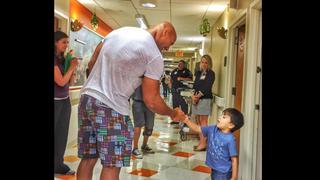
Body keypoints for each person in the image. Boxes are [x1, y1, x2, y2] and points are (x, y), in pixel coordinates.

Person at [76, 22, 185, 180]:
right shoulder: (154, 55)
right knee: (112, 165)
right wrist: (173, 113)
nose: (169, 48)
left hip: (87, 99)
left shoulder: (119, 32)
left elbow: (92, 62)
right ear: (165, 31)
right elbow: (152, 100)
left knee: (88, 159)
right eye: (171, 42)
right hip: (112, 107)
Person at [180, 108, 244, 180]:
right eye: (221, 115)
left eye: (224, 117)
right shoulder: (213, 129)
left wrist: (234, 177)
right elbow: (198, 128)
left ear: (231, 125)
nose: (220, 117)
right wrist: (187, 121)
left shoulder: (230, 139)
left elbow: (234, 159)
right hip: (214, 168)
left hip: (223, 172)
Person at [54, 31, 79, 175]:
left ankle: (58, 164)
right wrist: (71, 68)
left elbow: (69, 82)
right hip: (55, 102)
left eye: (67, 42)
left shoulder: (63, 59)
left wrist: (72, 67)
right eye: (63, 42)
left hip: (64, 101)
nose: (66, 45)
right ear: (55, 43)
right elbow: (60, 81)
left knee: (62, 135)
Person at [192, 55, 215, 151]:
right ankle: (201, 141)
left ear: (209, 64)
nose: (204, 64)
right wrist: (193, 96)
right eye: (202, 62)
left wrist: (198, 96)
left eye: (206, 62)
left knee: (203, 121)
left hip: (205, 99)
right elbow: (195, 85)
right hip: (196, 99)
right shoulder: (198, 73)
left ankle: (203, 144)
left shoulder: (211, 73)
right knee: (198, 121)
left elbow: (207, 87)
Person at [131, 85, 155, 159]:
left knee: (149, 125)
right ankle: (135, 148)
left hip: (150, 103)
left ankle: (144, 145)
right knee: (138, 125)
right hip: (138, 102)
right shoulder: (136, 75)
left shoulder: (152, 76)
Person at [170, 60, 193, 124]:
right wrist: (170, 86)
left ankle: (184, 120)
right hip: (174, 90)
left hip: (183, 91)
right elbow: (171, 79)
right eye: (179, 64)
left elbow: (190, 79)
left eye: (181, 64)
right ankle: (175, 120)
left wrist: (182, 78)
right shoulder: (174, 71)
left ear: (184, 65)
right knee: (175, 106)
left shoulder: (187, 71)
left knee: (183, 106)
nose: (179, 65)